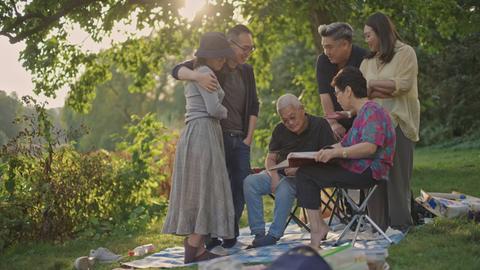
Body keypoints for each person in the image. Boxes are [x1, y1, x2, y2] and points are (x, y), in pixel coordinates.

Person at [171, 24, 259, 248]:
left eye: (251, 49)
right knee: (213, 186)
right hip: (216, 136)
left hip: (239, 137)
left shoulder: (246, 71)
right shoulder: (211, 67)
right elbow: (176, 70)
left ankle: (230, 235)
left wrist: (249, 137)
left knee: (239, 185)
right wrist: (196, 77)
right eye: (245, 48)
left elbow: (254, 106)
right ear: (230, 45)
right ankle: (207, 239)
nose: (247, 53)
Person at [295, 67, 395, 248]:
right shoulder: (362, 113)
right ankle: (318, 227)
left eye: (338, 93)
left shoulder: (372, 111)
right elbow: (344, 144)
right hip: (357, 167)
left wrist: (335, 153)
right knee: (305, 171)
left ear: (348, 91)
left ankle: (318, 229)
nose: (337, 98)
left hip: (368, 171)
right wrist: (316, 154)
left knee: (306, 175)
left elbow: (369, 147)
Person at [162, 32, 235, 263]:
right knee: (207, 187)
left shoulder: (200, 72)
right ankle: (194, 244)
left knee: (202, 188)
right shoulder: (205, 73)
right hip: (204, 130)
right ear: (209, 56)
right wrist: (226, 112)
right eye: (219, 57)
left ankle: (199, 246)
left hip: (198, 131)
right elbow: (214, 110)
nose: (222, 61)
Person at [243, 94, 334, 248]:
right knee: (250, 182)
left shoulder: (320, 125)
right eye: (285, 120)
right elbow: (270, 158)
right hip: (280, 172)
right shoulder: (279, 130)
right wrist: (273, 175)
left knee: (285, 186)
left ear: (302, 109)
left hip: (308, 178)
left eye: (292, 117)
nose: (290, 123)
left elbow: (329, 158)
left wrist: (301, 168)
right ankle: (258, 233)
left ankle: (274, 235)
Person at [360, 12, 420, 231]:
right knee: (374, 177)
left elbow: (403, 85)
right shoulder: (367, 61)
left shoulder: (406, 53)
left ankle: (401, 225)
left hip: (400, 123)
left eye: (368, 35)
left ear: (381, 32)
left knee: (397, 180)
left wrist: (372, 85)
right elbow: (362, 92)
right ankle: (378, 226)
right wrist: (376, 88)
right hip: (374, 128)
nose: (366, 40)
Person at [316, 22, 367, 140]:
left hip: (363, 118)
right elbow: (324, 94)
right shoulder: (323, 61)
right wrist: (333, 123)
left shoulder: (364, 58)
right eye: (324, 47)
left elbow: (368, 97)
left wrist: (351, 114)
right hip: (336, 121)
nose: (326, 52)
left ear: (344, 44)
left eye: (329, 47)